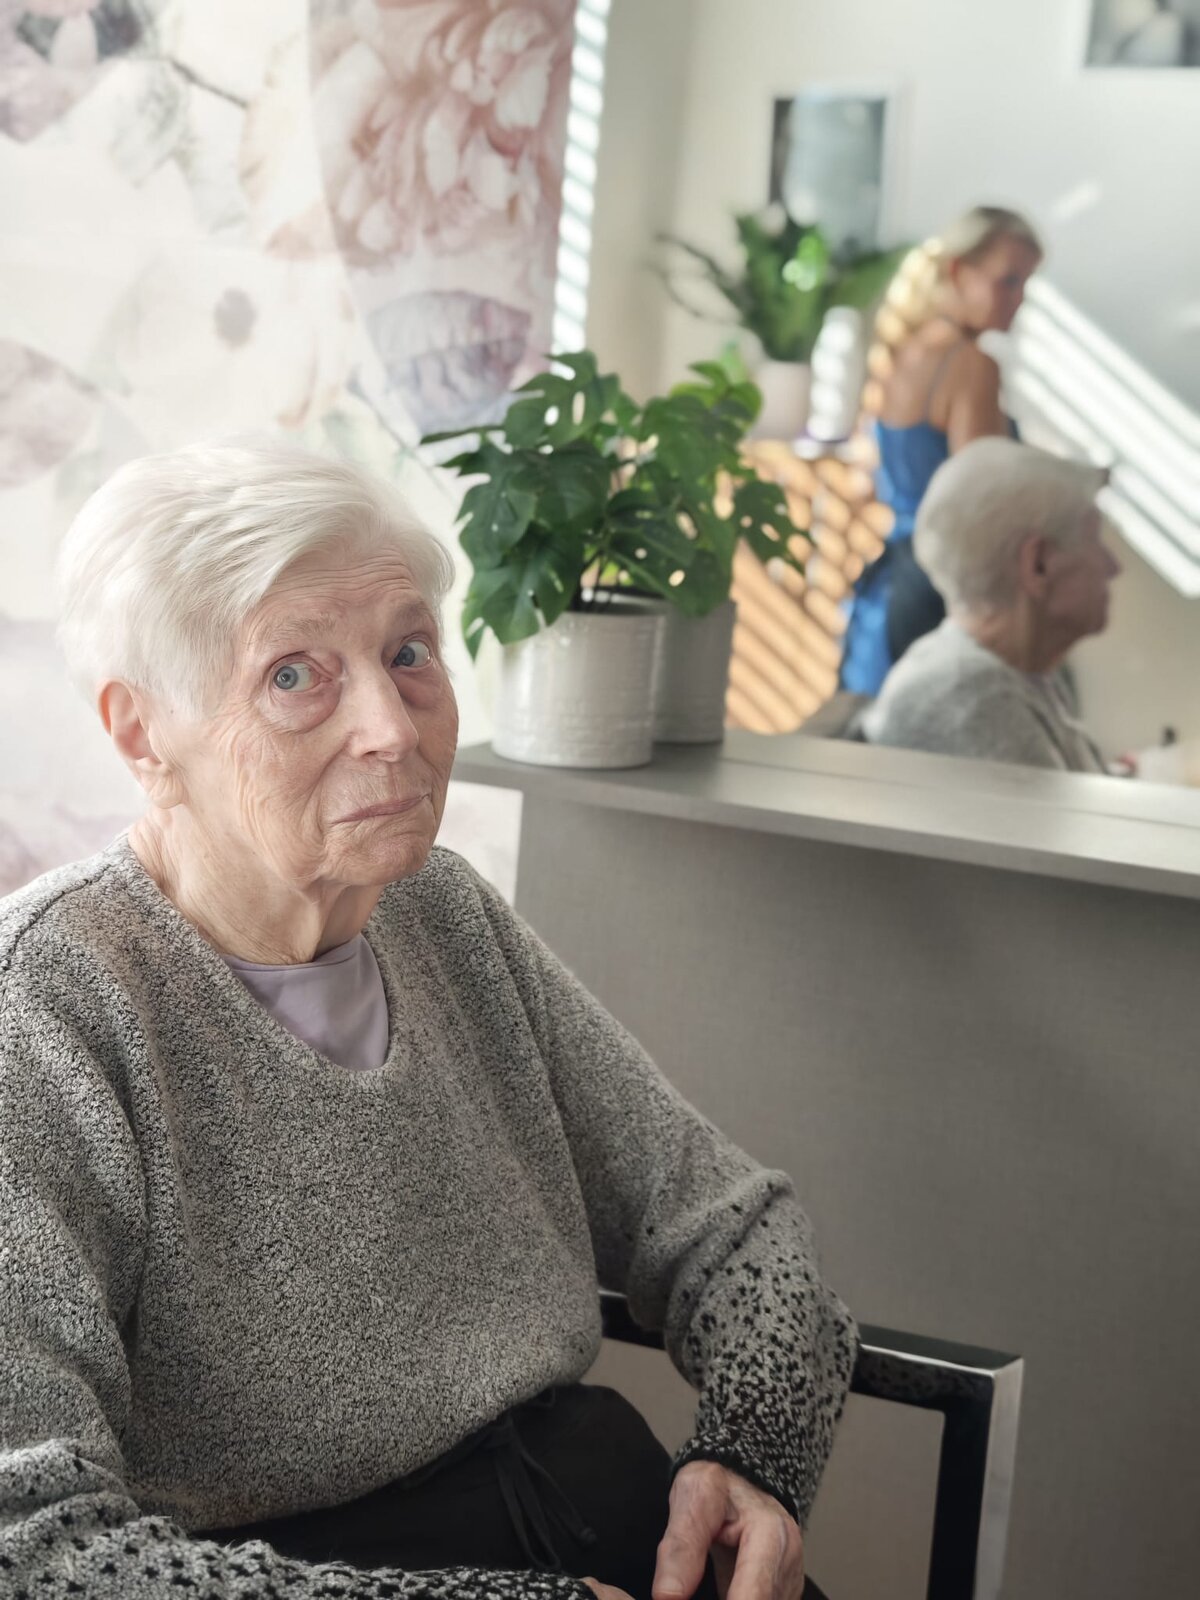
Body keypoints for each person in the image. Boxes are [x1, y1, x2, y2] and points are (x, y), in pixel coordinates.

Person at [0, 440, 855, 1600]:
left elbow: (734, 1227)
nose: (393, 729)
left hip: (616, 1529)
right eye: (294, 676)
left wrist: (753, 1458)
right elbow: (33, 1548)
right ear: (145, 734)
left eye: (408, 655)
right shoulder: (45, 1010)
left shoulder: (439, 911)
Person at [839, 206, 1044, 696]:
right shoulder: (972, 364)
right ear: (958, 271)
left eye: (1025, 284)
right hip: (945, 595)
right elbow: (982, 504)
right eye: (1008, 281)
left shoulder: (905, 349)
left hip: (891, 586)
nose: (1018, 299)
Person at [861, 437, 1121, 771]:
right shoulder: (975, 703)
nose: (1113, 566)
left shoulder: (1019, 672)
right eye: (1094, 540)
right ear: (1038, 564)